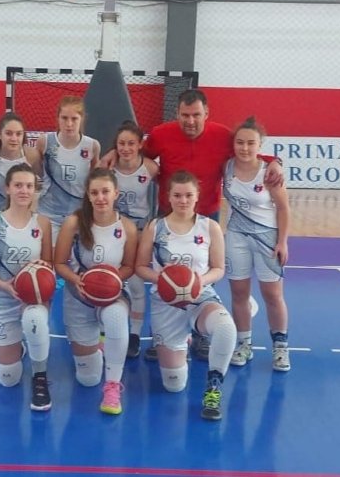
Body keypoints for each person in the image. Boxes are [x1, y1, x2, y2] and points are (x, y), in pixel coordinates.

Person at [102, 88, 281, 361]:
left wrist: (274, 161)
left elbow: (247, 152)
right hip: (168, 213)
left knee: (202, 273)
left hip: (207, 216)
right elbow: (134, 153)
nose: (190, 120)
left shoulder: (222, 136)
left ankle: (200, 335)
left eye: (196, 115)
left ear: (206, 113)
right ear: (177, 114)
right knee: (167, 275)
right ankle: (162, 335)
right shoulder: (161, 134)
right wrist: (113, 153)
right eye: (185, 115)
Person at [135, 170, 237, 421]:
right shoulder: (155, 227)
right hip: (165, 302)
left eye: (188, 195)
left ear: (197, 196)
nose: (183, 200)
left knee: (226, 328)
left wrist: (197, 281)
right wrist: (163, 279)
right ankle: (184, 340)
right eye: (178, 195)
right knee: (174, 385)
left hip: (200, 297)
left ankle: (213, 388)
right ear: (168, 197)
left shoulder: (210, 227)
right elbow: (140, 267)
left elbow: (219, 269)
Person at [0, 163, 54, 411]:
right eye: (18, 185)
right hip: (2, 298)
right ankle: (20, 347)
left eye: (29, 186)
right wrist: (4, 286)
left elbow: (49, 265)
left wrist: (42, 277)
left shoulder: (43, 223)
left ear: (35, 190)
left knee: (34, 319)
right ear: (7, 188)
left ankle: (40, 376)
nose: (24, 191)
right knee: (8, 379)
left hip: (33, 299)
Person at [54, 168, 138, 415]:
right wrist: (77, 279)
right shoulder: (74, 223)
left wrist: (110, 281)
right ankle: (97, 346)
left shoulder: (128, 227)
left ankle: (112, 385)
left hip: (112, 294)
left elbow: (129, 266)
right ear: (88, 195)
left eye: (105, 192)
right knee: (88, 378)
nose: (100, 197)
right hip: (78, 295)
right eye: (94, 193)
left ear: (116, 193)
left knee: (116, 317)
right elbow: (59, 263)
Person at [0, 112, 42, 358]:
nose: (14, 138)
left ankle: (22, 328)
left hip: (21, 218)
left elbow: (41, 182)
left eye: (18, 133)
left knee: (23, 271)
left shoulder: (31, 155)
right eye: (9, 133)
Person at [224, 117, 291, 372]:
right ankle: (244, 344)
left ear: (259, 145)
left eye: (250, 143)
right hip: (236, 237)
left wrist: (282, 242)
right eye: (240, 142)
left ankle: (280, 347)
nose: (244, 148)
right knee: (239, 293)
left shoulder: (269, 173)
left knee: (272, 295)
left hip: (267, 239)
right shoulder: (226, 167)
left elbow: (283, 208)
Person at [111, 120, 159, 358]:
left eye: (131, 143)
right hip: (113, 233)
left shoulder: (150, 168)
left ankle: (135, 335)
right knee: (110, 282)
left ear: (140, 145)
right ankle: (105, 332)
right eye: (121, 143)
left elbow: (165, 192)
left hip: (139, 232)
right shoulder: (107, 167)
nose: (126, 148)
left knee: (138, 285)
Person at [36, 95, 101, 243]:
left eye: (74, 119)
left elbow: (94, 181)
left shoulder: (92, 146)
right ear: (58, 118)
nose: (69, 124)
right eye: (64, 118)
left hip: (78, 215)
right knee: (48, 256)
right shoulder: (45, 142)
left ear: (82, 119)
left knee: (76, 256)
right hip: (48, 214)